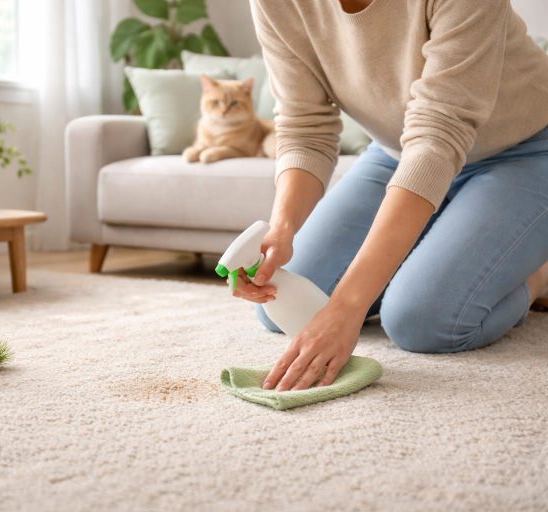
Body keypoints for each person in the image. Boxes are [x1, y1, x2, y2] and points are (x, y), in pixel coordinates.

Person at [235, 0, 548, 391]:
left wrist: (349, 306)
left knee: (421, 321)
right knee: (283, 304)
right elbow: (304, 126)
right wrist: (283, 228)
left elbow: (439, 133)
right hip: (398, 152)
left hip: (527, 149)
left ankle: (535, 275)